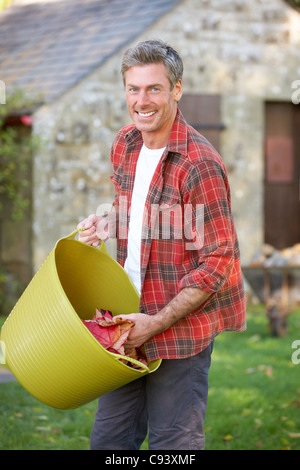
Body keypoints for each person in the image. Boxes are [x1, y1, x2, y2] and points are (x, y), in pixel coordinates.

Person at [77, 39, 246, 450]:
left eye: (154, 88)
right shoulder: (126, 143)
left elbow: (219, 259)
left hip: (180, 328)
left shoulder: (199, 163)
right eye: (133, 89)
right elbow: (136, 208)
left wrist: (156, 322)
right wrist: (107, 220)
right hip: (125, 321)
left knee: (174, 444)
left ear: (176, 90)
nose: (142, 100)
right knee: (109, 442)